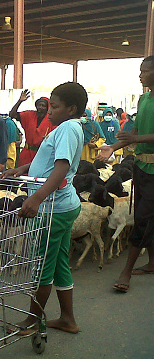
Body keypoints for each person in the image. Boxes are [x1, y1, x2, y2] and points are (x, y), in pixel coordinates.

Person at [1, 81, 87, 335]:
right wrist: (22, 169)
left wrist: (36, 198)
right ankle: (67, 319)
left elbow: (61, 167)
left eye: (55, 106)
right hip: (59, 205)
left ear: (71, 109)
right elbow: (47, 161)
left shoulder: (69, 129)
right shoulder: (63, 127)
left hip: (53, 208)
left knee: (42, 265)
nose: (49, 110)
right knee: (58, 262)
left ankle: (32, 320)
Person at [97, 56, 154, 293]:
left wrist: (136, 139)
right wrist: (113, 148)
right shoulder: (144, 99)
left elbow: (137, 136)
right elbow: (137, 133)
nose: (140, 75)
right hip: (141, 168)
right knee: (145, 215)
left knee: (142, 219)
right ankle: (152, 263)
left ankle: (126, 271)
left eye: (145, 71)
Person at [9, 90, 55, 167]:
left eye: (43, 106)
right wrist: (20, 101)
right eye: (39, 105)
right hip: (27, 153)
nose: (40, 107)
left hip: (42, 154)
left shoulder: (51, 119)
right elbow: (12, 115)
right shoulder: (29, 115)